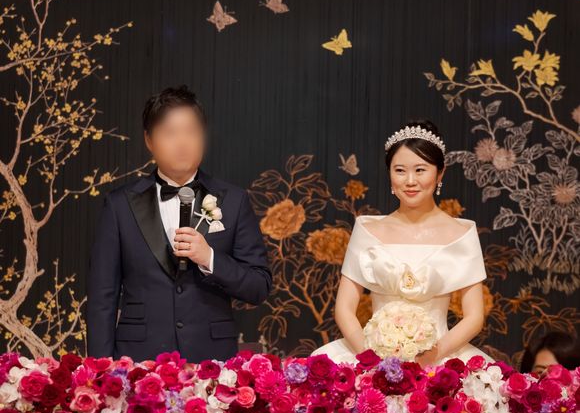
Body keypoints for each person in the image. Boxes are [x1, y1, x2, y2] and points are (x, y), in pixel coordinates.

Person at [87, 85, 272, 362]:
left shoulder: (233, 201)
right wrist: (101, 368)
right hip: (140, 359)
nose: (182, 142)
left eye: (191, 131)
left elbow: (258, 286)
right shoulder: (120, 205)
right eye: (170, 133)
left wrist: (209, 258)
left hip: (211, 360)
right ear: (149, 140)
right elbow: (102, 296)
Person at [312, 119, 494, 368]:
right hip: (372, 355)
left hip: (438, 357)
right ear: (389, 174)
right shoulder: (368, 231)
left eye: (420, 170)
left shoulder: (461, 234)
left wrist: (434, 354)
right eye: (400, 170)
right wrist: (371, 358)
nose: (410, 181)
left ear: (440, 173)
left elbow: (474, 317)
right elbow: (344, 308)